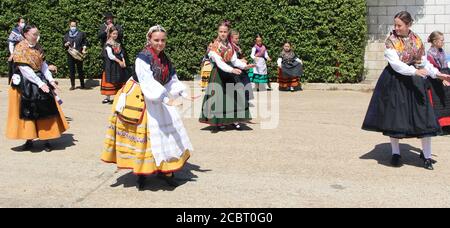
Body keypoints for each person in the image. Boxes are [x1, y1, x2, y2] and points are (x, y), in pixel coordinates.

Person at [101, 25, 195, 190]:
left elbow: (172, 78)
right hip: (141, 95)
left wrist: (184, 93)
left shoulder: (164, 58)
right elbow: (148, 82)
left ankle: (165, 171)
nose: (160, 43)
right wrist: (167, 99)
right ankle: (142, 174)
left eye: (163, 40)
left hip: (158, 95)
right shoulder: (142, 57)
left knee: (167, 135)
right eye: (156, 40)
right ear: (149, 40)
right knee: (145, 137)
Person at [361, 11, 450, 170]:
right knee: (395, 117)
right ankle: (396, 153)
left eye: (399, 25)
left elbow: (423, 62)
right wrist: (414, 71)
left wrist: (437, 74)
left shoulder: (416, 39)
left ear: (408, 25)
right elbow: (396, 65)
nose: (396, 28)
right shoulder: (391, 41)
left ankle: (427, 156)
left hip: (415, 82)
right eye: (395, 25)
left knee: (424, 117)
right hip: (396, 82)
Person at [6, 25, 69, 152]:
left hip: (39, 78)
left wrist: (50, 80)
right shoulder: (20, 48)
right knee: (27, 110)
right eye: (34, 34)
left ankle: (47, 139)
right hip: (25, 83)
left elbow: (43, 65)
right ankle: (28, 139)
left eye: (37, 34)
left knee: (46, 107)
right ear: (26, 35)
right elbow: (25, 70)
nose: (36, 36)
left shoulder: (38, 47)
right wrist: (40, 83)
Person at [199, 21, 254, 132]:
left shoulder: (230, 45)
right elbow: (219, 63)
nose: (223, 33)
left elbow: (234, 60)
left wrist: (245, 66)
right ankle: (219, 122)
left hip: (231, 72)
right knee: (219, 98)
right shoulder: (213, 47)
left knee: (235, 97)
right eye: (221, 31)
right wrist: (231, 70)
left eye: (225, 31)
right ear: (217, 32)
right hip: (219, 74)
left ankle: (235, 120)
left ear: (228, 32)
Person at [426, 31, 450, 132]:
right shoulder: (430, 54)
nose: (443, 42)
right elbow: (432, 70)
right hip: (435, 80)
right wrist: (442, 79)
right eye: (441, 40)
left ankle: (447, 124)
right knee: (438, 101)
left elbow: (446, 64)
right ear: (435, 41)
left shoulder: (442, 51)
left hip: (445, 75)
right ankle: (438, 125)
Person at [100, 26, 128, 104]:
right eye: (114, 34)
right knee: (109, 79)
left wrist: (123, 61)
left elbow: (121, 52)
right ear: (110, 34)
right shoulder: (108, 43)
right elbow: (110, 55)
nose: (115, 35)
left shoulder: (118, 42)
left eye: (116, 34)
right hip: (110, 65)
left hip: (118, 65)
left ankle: (117, 96)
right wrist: (119, 61)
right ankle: (107, 97)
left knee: (118, 79)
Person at [63, 19, 88, 90]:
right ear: (69, 26)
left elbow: (85, 42)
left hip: (78, 54)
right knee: (71, 70)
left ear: (76, 26)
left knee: (80, 70)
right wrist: (65, 44)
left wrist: (84, 48)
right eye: (72, 26)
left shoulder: (81, 33)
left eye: (74, 26)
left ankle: (82, 84)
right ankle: (73, 85)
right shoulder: (66, 34)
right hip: (70, 54)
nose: (73, 27)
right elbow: (63, 44)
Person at [7, 17, 26, 84]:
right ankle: (13, 84)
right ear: (18, 23)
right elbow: (11, 43)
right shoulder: (15, 31)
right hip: (15, 52)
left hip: (22, 52)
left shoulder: (24, 31)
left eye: (24, 22)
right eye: (22, 22)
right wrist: (12, 54)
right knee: (14, 69)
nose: (23, 23)